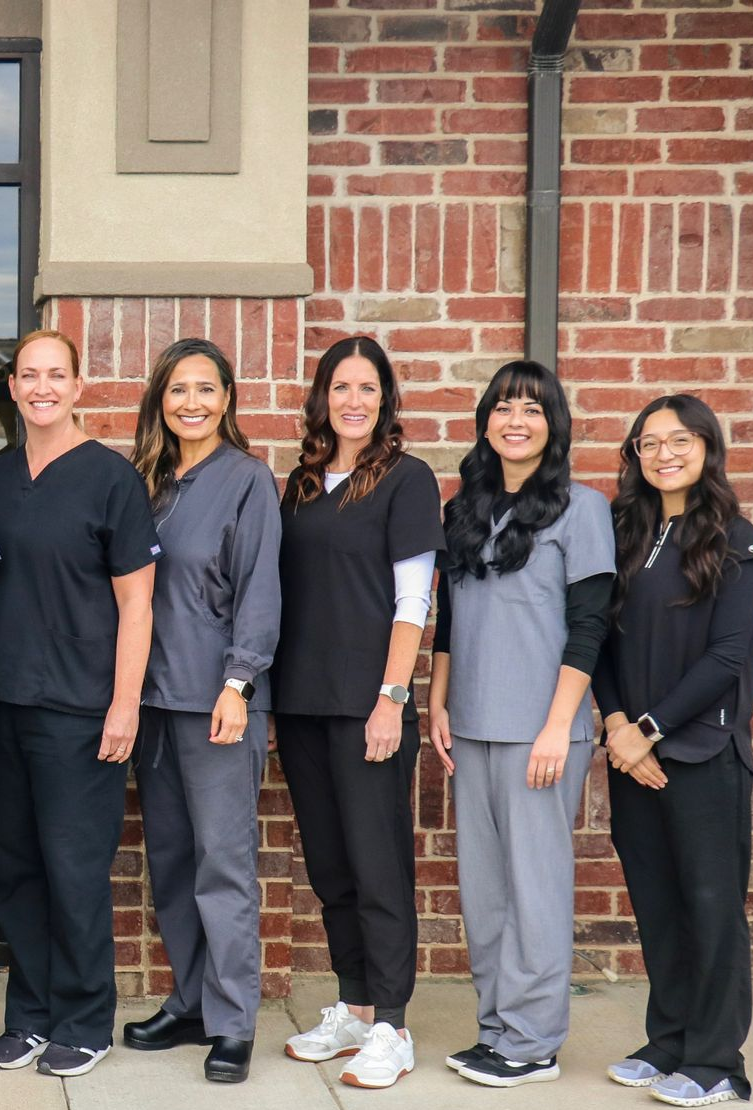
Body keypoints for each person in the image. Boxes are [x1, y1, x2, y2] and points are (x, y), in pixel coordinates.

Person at [0, 329, 158, 1078]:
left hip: (82, 710)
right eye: (28, 375)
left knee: (75, 869)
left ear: (78, 386)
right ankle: (32, 1014)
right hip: (4, 705)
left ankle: (85, 1019)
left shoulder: (114, 482)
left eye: (57, 375)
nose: (42, 387)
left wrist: (125, 703)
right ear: (12, 388)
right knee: (14, 870)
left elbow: (138, 607)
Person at [429, 360, 615, 1088]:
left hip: (542, 730)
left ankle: (533, 1042)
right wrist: (437, 702)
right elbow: (449, 619)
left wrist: (557, 726)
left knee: (536, 890)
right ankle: (496, 1030)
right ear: (485, 422)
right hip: (470, 725)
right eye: (504, 407)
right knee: (485, 891)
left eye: (532, 410)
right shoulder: (464, 509)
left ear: (553, 424)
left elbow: (590, 626)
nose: (516, 420)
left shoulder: (584, 507)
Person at [593, 396, 753, 1108]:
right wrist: (617, 726)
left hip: (701, 753)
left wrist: (650, 729)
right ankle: (668, 1039)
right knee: (658, 905)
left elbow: (728, 657)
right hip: (632, 752)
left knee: (710, 906)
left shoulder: (734, 539)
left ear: (707, 446)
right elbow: (599, 638)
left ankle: (717, 1060)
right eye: (648, 442)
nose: (664, 453)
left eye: (680, 439)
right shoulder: (627, 533)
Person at [272, 336, 442, 1089]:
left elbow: (415, 602)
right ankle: (353, 1006)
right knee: (330, 867)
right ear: (323, 398)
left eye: (367, 388)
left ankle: (393, 1025)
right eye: (340, 387)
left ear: (385, 400)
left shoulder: (407, 481)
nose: (353, 401)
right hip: (303, 703)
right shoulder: (303, 483)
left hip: (369, 707)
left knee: (378, 869)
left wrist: (391, 699)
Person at [118, 337, 281, 1085]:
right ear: (161, 400)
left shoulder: (247, 479)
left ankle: (233, 1021)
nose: (192, 403)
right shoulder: (145, 482)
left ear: (227, 398)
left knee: (224, 865)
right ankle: (188, 1001)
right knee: (173, 862)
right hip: (152, 701)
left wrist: (239, 683)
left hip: (218, 701)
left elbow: (260, 592)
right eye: (178, 390)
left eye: (206, 390)